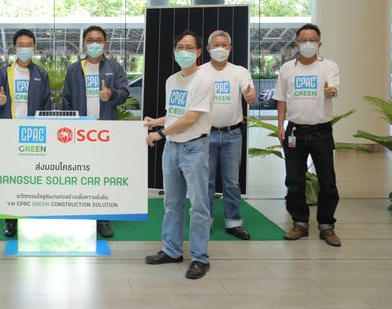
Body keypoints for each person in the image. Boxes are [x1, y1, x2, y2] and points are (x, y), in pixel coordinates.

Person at [144, 30, 214, 280]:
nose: (184, 51)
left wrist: (159, 134)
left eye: (189, 47)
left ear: (198, 52)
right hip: (172, 149)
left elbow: (191, 118)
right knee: (171, 203)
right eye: (180, 47)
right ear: (174, 51)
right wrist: (155, 121)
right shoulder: (172, 80)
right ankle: (172, 250)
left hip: (194, 149)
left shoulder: (204, 80)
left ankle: (200, 258)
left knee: (198, 205)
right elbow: (175, 114)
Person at [273, 23, 341, 247]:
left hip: (322, 131)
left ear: (319, 44)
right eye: (304, 40)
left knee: (327, 181)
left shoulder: (329, 67)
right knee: (294, 181)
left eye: (312, 40)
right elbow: (281, 99)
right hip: (294, 131)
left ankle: (326, 225)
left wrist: (331, 90)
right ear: (296, 43)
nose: (308, 44)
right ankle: (300, 223)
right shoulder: (287, 69)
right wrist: (280, 126)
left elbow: (333, 88)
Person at [62, 25, 129, 238]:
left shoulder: (114, 67)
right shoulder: (74, 69)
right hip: (79, 131)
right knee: (79, 174)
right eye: (90, 40)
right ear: (84, 43)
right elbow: (66, 99)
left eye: (98, 40)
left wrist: (112, 94)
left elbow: (125, 92)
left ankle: (102, 219)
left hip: (104, 131)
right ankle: (79, 215)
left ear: (105, 43)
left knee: (101, 175)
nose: (94, 44)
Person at [0, 29, 52, 237]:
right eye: (21, 45)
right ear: (14, 47)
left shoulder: (41, 74)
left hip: (34, 134)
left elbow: (47, 105)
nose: (25, 48)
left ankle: (32, 215)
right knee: (12, 176)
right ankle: (11, 220)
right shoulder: (3, 73)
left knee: (33, 176)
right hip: (9, 132)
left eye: (29, 45)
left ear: (34, 47)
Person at [201, 30, 255, 240]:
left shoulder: (239, 71)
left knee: (231, 182)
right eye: (216, 45)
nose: (220, 49)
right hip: (206, 134)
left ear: (230, 49)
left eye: (224, 45)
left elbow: (249, 94)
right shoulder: (200, 71)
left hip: (232, 135)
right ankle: (205, 221)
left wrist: (250, 97)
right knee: (206, 181)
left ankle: (233, 222)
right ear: (208, 49)